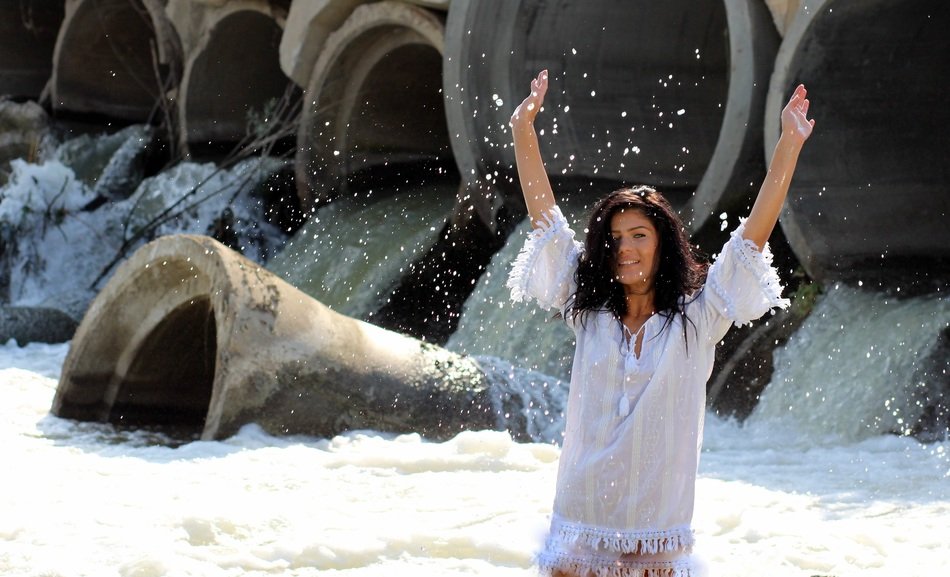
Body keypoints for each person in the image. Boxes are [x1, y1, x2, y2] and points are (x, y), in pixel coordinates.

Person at [506, 70, 815, 577]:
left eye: (638, 235)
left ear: (662, 243)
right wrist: (524, 129)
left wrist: (788, 145)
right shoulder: (586, 312)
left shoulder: (699, 316)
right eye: (614, 238)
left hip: (658, 538)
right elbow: (547, 221)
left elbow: (751, 240)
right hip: (579, 527)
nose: (624, 248)